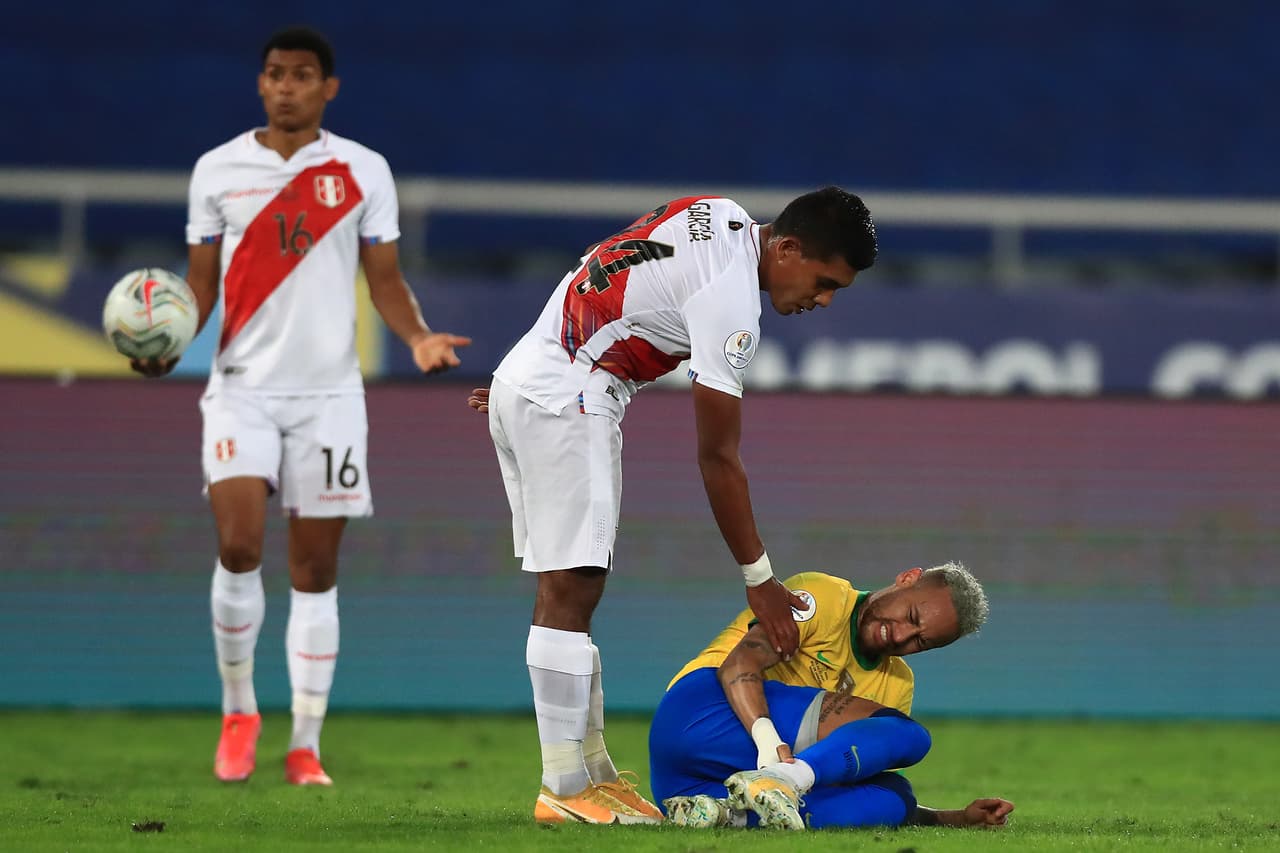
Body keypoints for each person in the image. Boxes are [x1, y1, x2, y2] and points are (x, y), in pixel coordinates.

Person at [466, 187, 878, 824]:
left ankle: (593, 774)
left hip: (537, 373)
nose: (821, 301)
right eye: (825, 283)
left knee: (572, 585)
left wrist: (529, 372)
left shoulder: (717, 211)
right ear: (788, 248)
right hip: (570, 393)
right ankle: (563, 787)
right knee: (571, 585)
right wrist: (760, 583)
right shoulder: (735, 304)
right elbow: (718, 457)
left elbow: (600, 265)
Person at [131, 27, 470, 785]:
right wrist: (166, 344)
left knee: (315, 569)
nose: (286, 86)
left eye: (302, 75)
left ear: (329, 88)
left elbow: (383, 278)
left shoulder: (361, 170)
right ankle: (238, 710)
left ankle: (305, 741)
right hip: (241, 390)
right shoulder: (217, 170)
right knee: (241, 546)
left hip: (329, 398)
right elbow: (202, 285)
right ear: (261, 85)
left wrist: (415, 337)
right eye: (275, 74)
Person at [650, 562, 1015, 830]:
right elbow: (738, 665)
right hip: (700, 712)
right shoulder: (823, 596)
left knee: (895, 798)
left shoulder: (896, 684)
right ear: (906, 578)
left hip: (688, 785)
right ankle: (780, 782)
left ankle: (725, 816)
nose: (901, 635)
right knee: (912, 736)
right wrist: (769, 745)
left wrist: (953, 819)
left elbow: (847, 778)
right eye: (911, 614)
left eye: (921, 641)